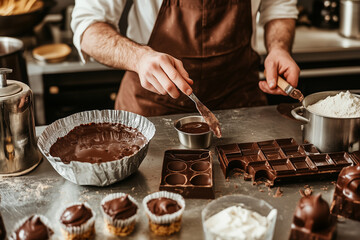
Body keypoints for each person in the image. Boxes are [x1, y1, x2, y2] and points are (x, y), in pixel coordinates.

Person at [71, 0, 300, 117]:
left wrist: (279, 48)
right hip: (153, 108)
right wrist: (138, 57)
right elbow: (88, 28)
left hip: (239, 102)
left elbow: (279, 7)